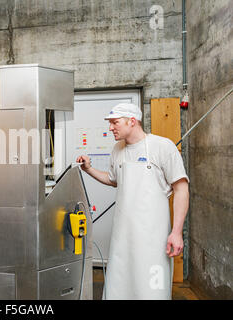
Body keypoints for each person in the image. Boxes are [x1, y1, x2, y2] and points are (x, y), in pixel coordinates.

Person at [76, 103, 189, 300]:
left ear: (132, 121)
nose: (110, 127)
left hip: (154, 240)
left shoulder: (162, 147)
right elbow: (113, 180)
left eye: (115, 122)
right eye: (110, 123)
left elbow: (181, 188)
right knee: (119, 290)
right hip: (122, 239)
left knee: (153, 291)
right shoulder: (117, 149)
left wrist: (177, 232)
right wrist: (88, 169)